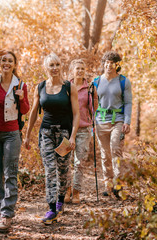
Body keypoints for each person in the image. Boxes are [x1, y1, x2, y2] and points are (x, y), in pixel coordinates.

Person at [24, 53, 79, 225]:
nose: (54, 68)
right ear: (46, 68)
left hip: (64, 135)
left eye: (57, 64)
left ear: (60, 66)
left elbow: (77, 114)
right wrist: (27, 135)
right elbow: (33, 112)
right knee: (50, 170)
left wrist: (73, 136)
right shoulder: (40, 87)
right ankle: (52, 208)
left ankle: (61, 199)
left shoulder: (70, 87)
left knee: (63, 171)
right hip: (46, 133)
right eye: (51, 65)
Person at [0, 51, 30, 232]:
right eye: (3, 60)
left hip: (12, 134)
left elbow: (25, 110)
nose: (6, 63)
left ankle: (7, 215)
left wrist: (21, 98)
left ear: (14, 64)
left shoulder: (20, 85)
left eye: (10, 61)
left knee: (10, 172)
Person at [93, 51, 132, 198]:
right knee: (105, 154)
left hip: (118, 119)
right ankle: (108, 184)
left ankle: (118, 183)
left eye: (112, 63)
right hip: (101, 120)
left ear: (117, 65)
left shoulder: (124, 81)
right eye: (107, 62)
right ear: (104, 64)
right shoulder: (96, 81)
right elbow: (91, 103)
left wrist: (127, 122)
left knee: (116, 149)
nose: (109, 65)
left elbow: (128, 102)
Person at [64, 59, 98, 204]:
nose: (80, 71)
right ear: (72, 70)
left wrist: (94, 97)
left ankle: (76, 192)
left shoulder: (89, 88)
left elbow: (94, 109)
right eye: (77, 68)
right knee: (65, 160)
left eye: (82, 68)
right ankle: (67, 189)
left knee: (79, 162)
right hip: (67, 128)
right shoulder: (65, 86)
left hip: (84, 128)